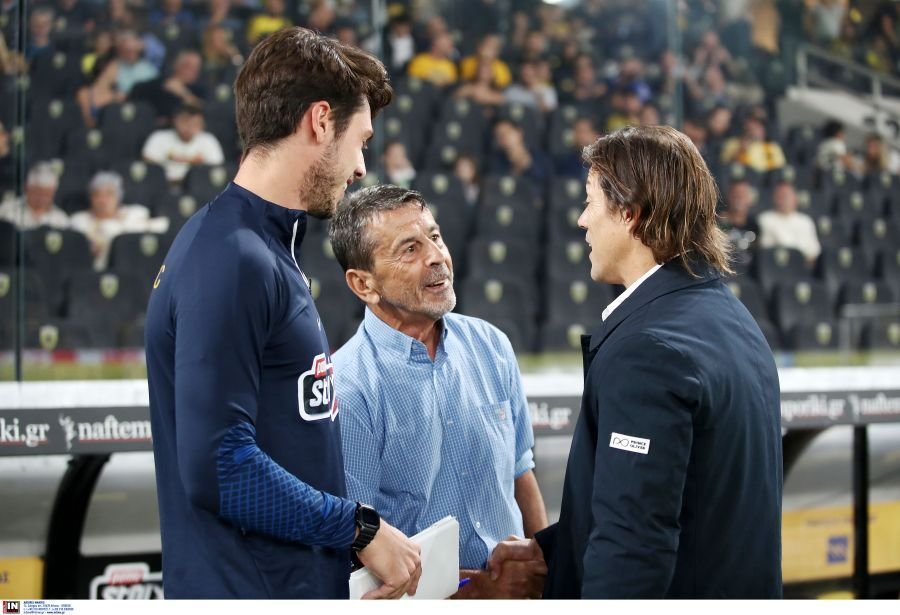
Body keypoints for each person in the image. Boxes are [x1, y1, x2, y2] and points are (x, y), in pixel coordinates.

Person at [144, 27, 422, 600]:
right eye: (360, 141)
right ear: (320, 121)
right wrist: (358, 528)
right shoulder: (232, 259)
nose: (361, 168)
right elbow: (218, 466)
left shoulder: (259, 248)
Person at [489, 125, 783, 598]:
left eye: (590, 202)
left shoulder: (649, 350)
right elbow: (686, 503)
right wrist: (554, 552)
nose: (582, 220)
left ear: (629, 213)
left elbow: (633, 545)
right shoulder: (732, 317)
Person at [328, 184, 548, 599]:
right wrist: (474, 589)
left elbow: (521, 471)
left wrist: (546, 567)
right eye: (410, 249)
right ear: (363, 284)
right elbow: (355, 546)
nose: (436, 256)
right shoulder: (349, 387)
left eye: (435, 237)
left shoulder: (492, 345)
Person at [69, 171, 168, 270]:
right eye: (97, 194)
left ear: (118, 196)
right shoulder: (79, 221)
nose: (102, 200)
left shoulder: (135, 213)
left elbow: (161, 225)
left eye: (109, 194)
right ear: (90, 197)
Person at [141, 104, 225, 184]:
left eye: (194, 123)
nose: (189, 127)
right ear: (175, 120)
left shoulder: (208, 140)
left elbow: (216, 168)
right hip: (163, 186)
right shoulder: (158, 137)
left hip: (198, 187)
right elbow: (148, 165)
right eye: (185, 122)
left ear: (202, 125)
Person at [758, 181, 821, 266]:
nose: (783, 199)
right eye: (780, 196)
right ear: (774, 198)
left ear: (795, 198)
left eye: (786, 195)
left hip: (803, 267)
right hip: (775, 266)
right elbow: (766, 249)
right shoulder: (764, 219)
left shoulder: (806, 221)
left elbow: (814, 253)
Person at [0, 162, 69, 230]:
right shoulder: (6, 211)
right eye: (38, 193)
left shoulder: (60, 219)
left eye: (47, 194)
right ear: (27, 189)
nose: (42, 198)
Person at [75, 52, 125, 129]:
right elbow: (85, 120)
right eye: (114, 68)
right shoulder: (84, 93)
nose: (117, 72)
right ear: (104, 68)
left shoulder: (118, 96)